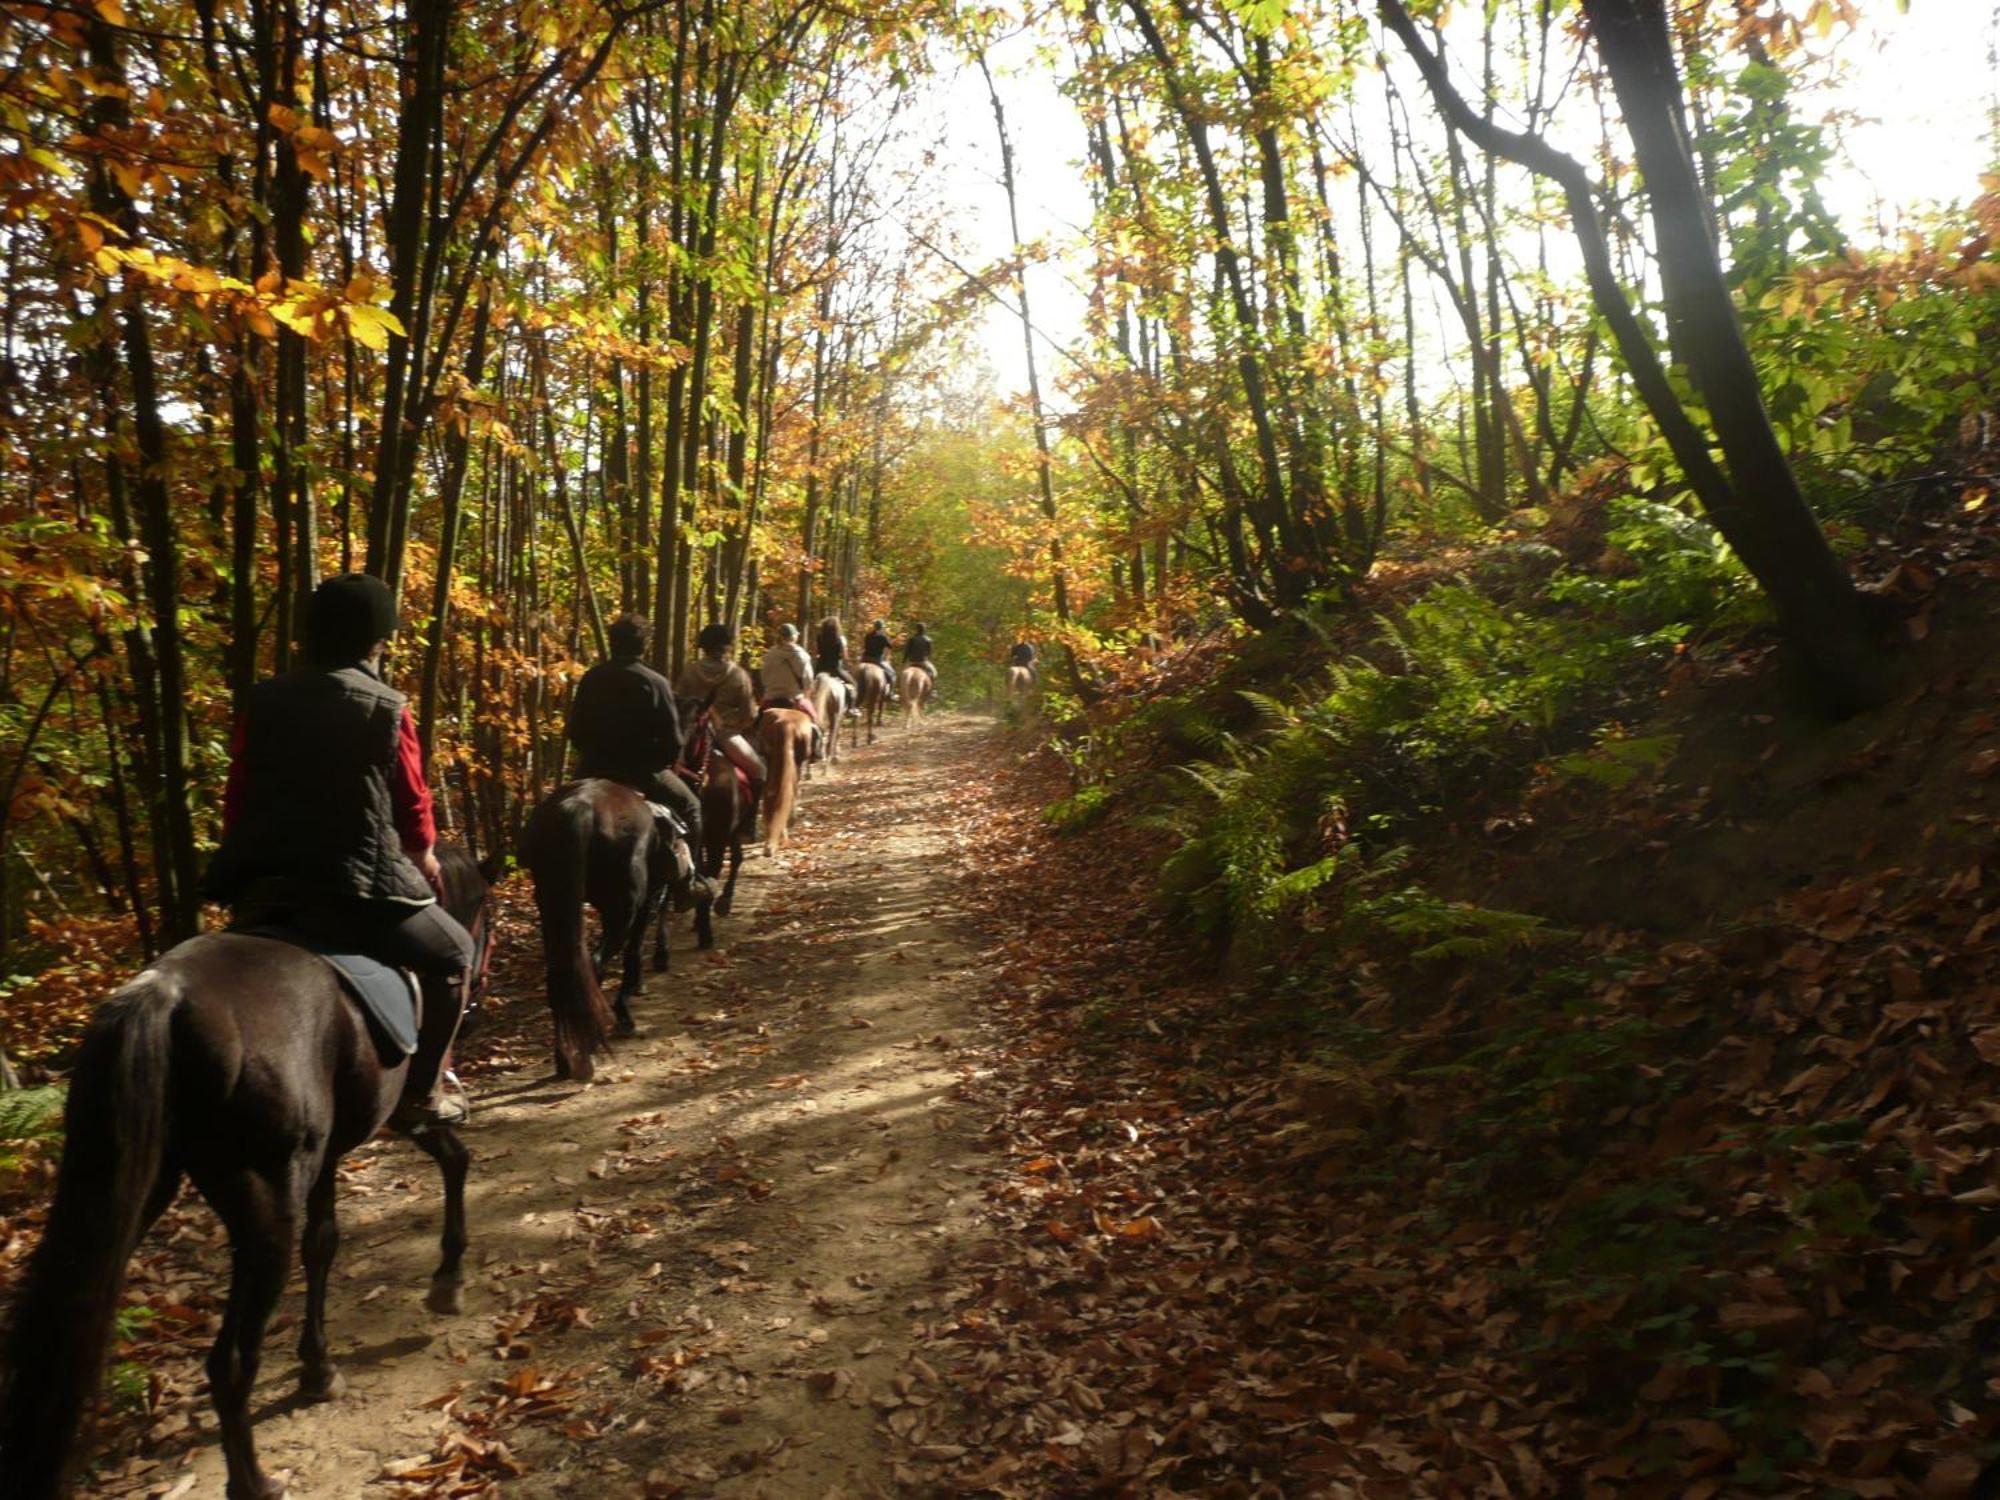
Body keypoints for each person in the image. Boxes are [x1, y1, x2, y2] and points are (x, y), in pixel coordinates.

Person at [203, 572, 473, 1133]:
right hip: (356, 883)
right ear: (378, 638)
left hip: (267, 879)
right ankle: (422, 1093)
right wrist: (422, 853)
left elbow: (239, 792)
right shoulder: (386, 706)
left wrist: (244, 860)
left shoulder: (265, 698)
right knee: (454, 956)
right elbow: (413, 802)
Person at [567, 613, 709, 903]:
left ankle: (524, 857)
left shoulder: (591, 678)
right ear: (644, 645)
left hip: (591, 770)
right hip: (642, 772)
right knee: (692, 807)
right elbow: (672, 741)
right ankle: (688, 886)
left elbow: (576, 732)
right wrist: (660, 760)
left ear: (612, 643)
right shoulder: (655, 682)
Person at [676, 622, 767, 784]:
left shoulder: (689, 671)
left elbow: (679, 703)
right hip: (726, 735)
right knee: (760, 770)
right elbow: (750, 715)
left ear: (704, 647)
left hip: (693, 736)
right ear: (727, 647)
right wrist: (739, 724)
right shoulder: (739, 675)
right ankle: (753, 810)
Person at [761, 622, 814, 708]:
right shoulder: (802, 656)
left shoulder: (770, 654)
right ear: (794, 637)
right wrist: (807, 697)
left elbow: (764, 678)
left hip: (771, 698)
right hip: (795, 699)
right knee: (814, 719)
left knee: (756, 719)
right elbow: (808, 681)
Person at [813, 616, 858, 715]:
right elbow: (844, 656)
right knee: (854, 684)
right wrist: (849, 664)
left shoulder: (819, 637)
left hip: (820, 669)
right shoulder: (840, 639)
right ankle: (851, 708)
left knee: (808, 686)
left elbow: (815, 654)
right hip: (835, 669)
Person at [861, 617, 896, 703]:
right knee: (892, 674)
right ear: (881, 627)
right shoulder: (883, 637)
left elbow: (865, 647)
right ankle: (890, 694)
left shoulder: (868, 635)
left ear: (874, 626)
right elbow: (890, 646)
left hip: (865, 659)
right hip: (877, 660)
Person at [903, 621, 937, 688]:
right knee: (934, 673)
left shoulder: (911, 639)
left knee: (901, 673)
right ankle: (934, 690)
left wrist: (904, 661)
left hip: (911, 661)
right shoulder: (928, 640)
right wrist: (928, 659)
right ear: (924, 630)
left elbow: (907, 651)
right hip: (923, 661)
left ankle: (898, 689)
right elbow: (930, 652)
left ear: (917, 629)